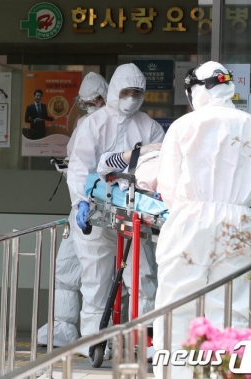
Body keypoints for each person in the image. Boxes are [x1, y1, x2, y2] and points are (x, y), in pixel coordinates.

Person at [152, 61, 251, 379]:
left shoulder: (183, 126)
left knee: (177, 301)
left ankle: (175, 374)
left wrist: (187, 211)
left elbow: (168, 184)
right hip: (238, 223)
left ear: (198, 89)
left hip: (190, 217)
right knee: (232, 306)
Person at [67, 63, 165, 357]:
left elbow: (159, 165)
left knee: (143, 276)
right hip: (96, 212)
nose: (131, 98)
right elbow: (79, 168)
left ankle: (144, 339)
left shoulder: (148, 126)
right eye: (126, 92)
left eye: (137, 93)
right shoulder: (93, 124)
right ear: (114, 91)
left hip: (133, 213)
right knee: (95, 278)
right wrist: (79, 201)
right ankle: (93, 341)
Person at [37, 72, 108, 347]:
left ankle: (104, 334)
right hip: (79, 206)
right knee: (66, 267)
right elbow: (78, 161)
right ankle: (61, 328)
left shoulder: (117, 124)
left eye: (96, 99)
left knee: (102, 274)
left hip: (105, 206)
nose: (91, 104)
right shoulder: (83, 124)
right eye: (87, 101)